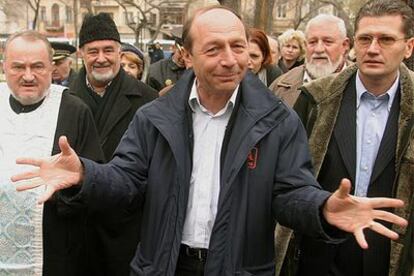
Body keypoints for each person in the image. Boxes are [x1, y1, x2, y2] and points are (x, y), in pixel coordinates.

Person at [12, 6, 408, 276]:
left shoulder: (276, 119)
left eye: (237, 46)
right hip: (165, 265)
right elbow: (127, 180)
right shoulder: (154, 117)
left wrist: (323, 208)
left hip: (238, 267)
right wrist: (86, 175)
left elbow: (290, 193)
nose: (230, 59)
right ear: (185, 55)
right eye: (214, 48)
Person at [289, 0, 414, 275]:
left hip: (393, 260)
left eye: (386, 39)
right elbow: (285, 185)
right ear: (353, 44)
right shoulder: (316, 100)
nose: (372, 48)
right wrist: (320, 206)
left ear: (409, 47)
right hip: (319, 258)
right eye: (365, 38)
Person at [0, 31, 103, 275]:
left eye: (37, 66)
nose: (28, 76)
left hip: (55, 252)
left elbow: (97, 186)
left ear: (51, 68)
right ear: (4, 67)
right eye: (18, 67)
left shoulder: (74, 111)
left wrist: (74, 183)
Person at [68, 12, 157, 276]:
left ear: (120, 52)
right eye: (93, 51)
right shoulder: (64, 100)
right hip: (78, 231)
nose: (101, 58)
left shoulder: (148, 100)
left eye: (109, 49)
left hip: (127, 231)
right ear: (81, 53)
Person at [270, 14, 350, 107]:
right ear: (305, 45)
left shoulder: (364, 84)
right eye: (312, 42)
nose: (319, 49)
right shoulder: (280, 87)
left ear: (345, 45)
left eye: (328, 42)